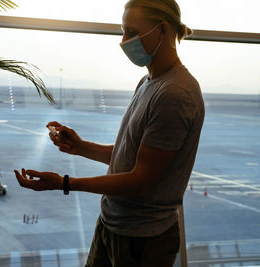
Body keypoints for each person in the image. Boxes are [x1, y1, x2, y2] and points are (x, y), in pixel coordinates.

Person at [14, 0, 205, 266]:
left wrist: (64, 183)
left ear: (162, 30)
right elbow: (132, 158)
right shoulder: (148, 83)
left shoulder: (175, 94)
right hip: (113, 225)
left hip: (142, 240)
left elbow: (140, 182)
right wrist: (82, 147)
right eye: (123, 32)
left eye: (132, 32)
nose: (123, 41)